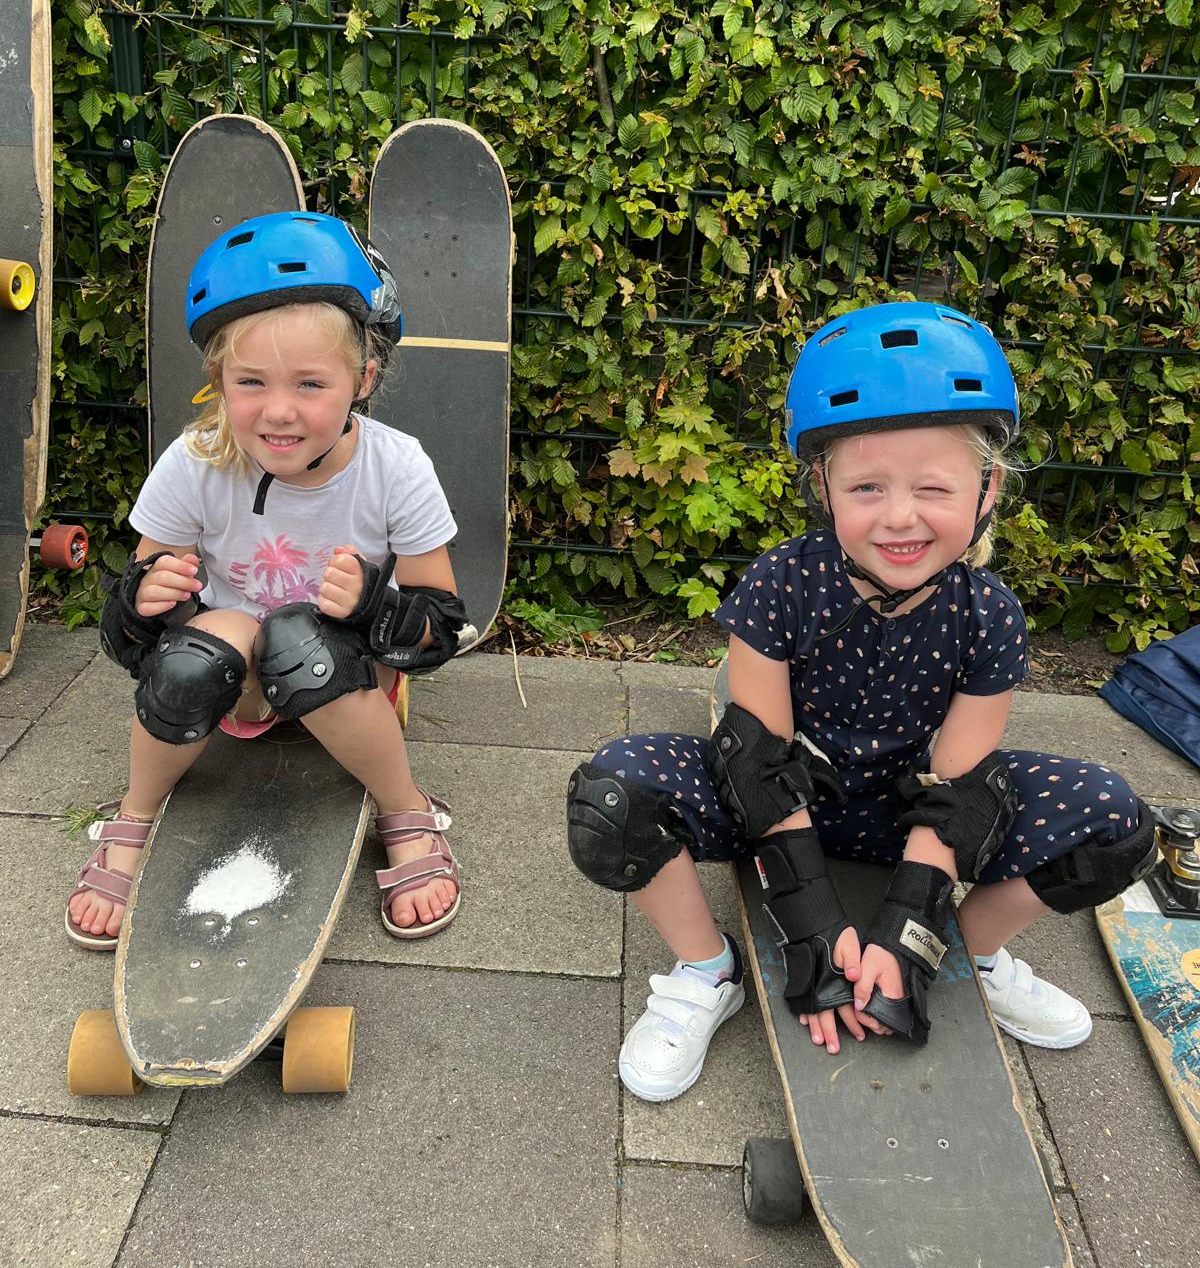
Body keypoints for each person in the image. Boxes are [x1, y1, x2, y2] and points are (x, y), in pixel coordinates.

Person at [567, 301, 1155, 1102]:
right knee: (611, 798)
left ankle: (964, 954)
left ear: (988, 488)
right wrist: (814, 929)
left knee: (1117, 825)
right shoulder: (781, 583)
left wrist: (906, 935)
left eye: (933, 487)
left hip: (906, 812)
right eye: (867, 486)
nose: (900, 516)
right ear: (823, 485)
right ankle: (708, 971)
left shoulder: (990, 615)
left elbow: (957, 790)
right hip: (787, 802)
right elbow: (758, 766)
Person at [67, 211, 470, 950]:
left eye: (311, 383)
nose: (279, 411)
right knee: (199, 652)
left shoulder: (397, 466)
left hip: (347, 673)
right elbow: (131, 633)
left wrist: (375, 607)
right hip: (237, 685)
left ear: (363, 379)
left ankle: (405, 809)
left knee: (295, 634)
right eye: (250, 381)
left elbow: (441, 626)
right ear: (219, 379)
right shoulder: (196, 461)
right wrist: (143, 605)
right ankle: (134, 815)